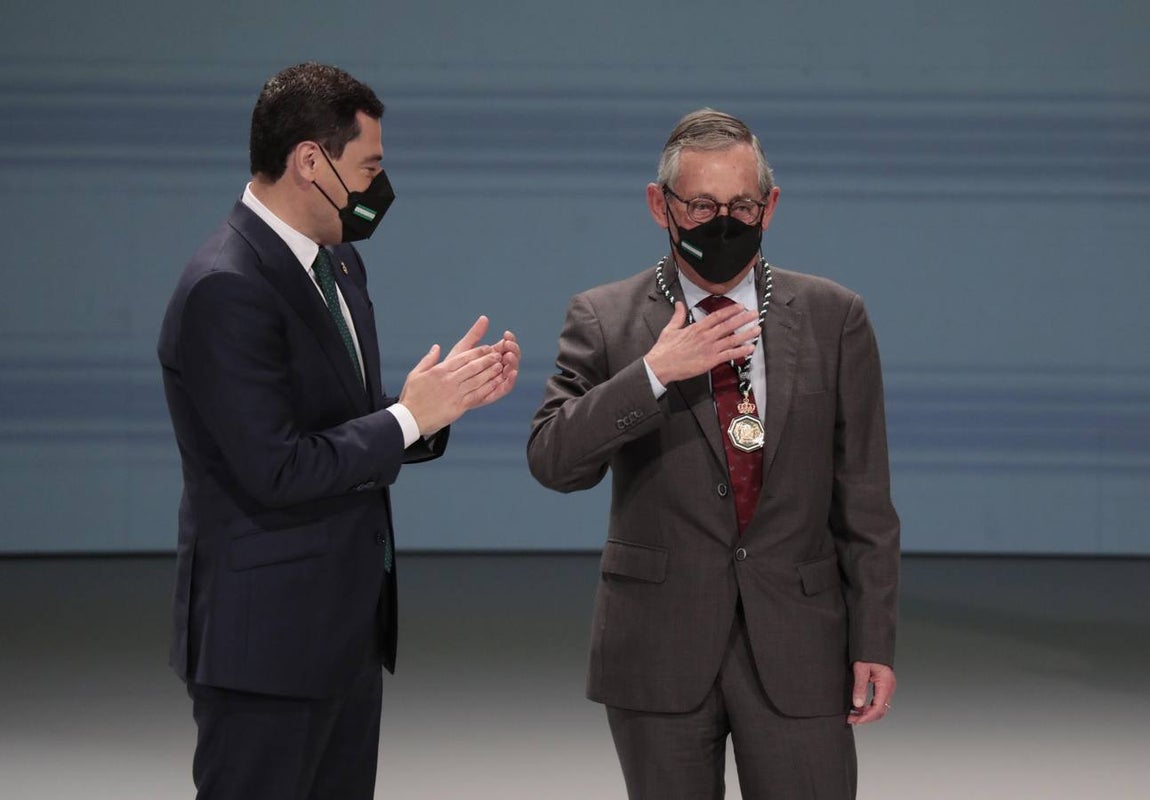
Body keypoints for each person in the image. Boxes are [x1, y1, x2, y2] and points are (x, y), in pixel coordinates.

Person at [157, 62, 519, 800]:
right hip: (263, 648)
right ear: (310, 161)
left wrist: (437, 406)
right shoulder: (226, 285)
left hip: (343, 632)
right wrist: (409, 415)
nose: (379, 189)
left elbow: (342, 425)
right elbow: (278, 466)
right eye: (370, 166)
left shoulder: (340, 264)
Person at [527, 109, 898, 800]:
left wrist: (874, 637)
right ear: (658, 205)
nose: (722, 222)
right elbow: (554, 460)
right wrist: (653, 374)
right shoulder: (605, 317)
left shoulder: (833, 316)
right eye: (700, 205)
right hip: (658, 646)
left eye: (741, 206)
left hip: (800, 646)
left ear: (772, 206)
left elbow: (866, 499)